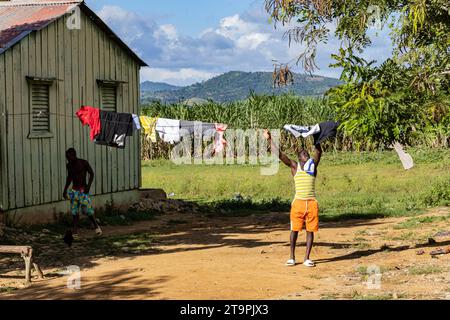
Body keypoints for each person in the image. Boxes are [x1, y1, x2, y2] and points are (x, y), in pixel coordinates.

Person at [264, 129, 322, 267]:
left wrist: (317, 136)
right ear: (299, 158)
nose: (306, 154)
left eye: (307, 153)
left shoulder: (312, 167)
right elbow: (279, 154)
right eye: (303, 154)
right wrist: (269, 139)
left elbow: (319, 152)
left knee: (310, 231)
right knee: (294, 230)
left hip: (312, 203)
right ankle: (292, 257)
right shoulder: (294, 167)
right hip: (298, 204)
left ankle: (307, 258)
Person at [63, 148, 102, 237]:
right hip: (74, 191)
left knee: (87, 210)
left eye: (68, 157)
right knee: (74, 211)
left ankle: (96, 226)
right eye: (66, 157)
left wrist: (88, 186)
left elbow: (91, 173)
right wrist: (65, 190)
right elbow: (69, 178)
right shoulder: (69, 166)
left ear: (73, 155)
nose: (67, 159)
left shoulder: (83, 163)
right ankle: (75, 231)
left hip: (83, 190)